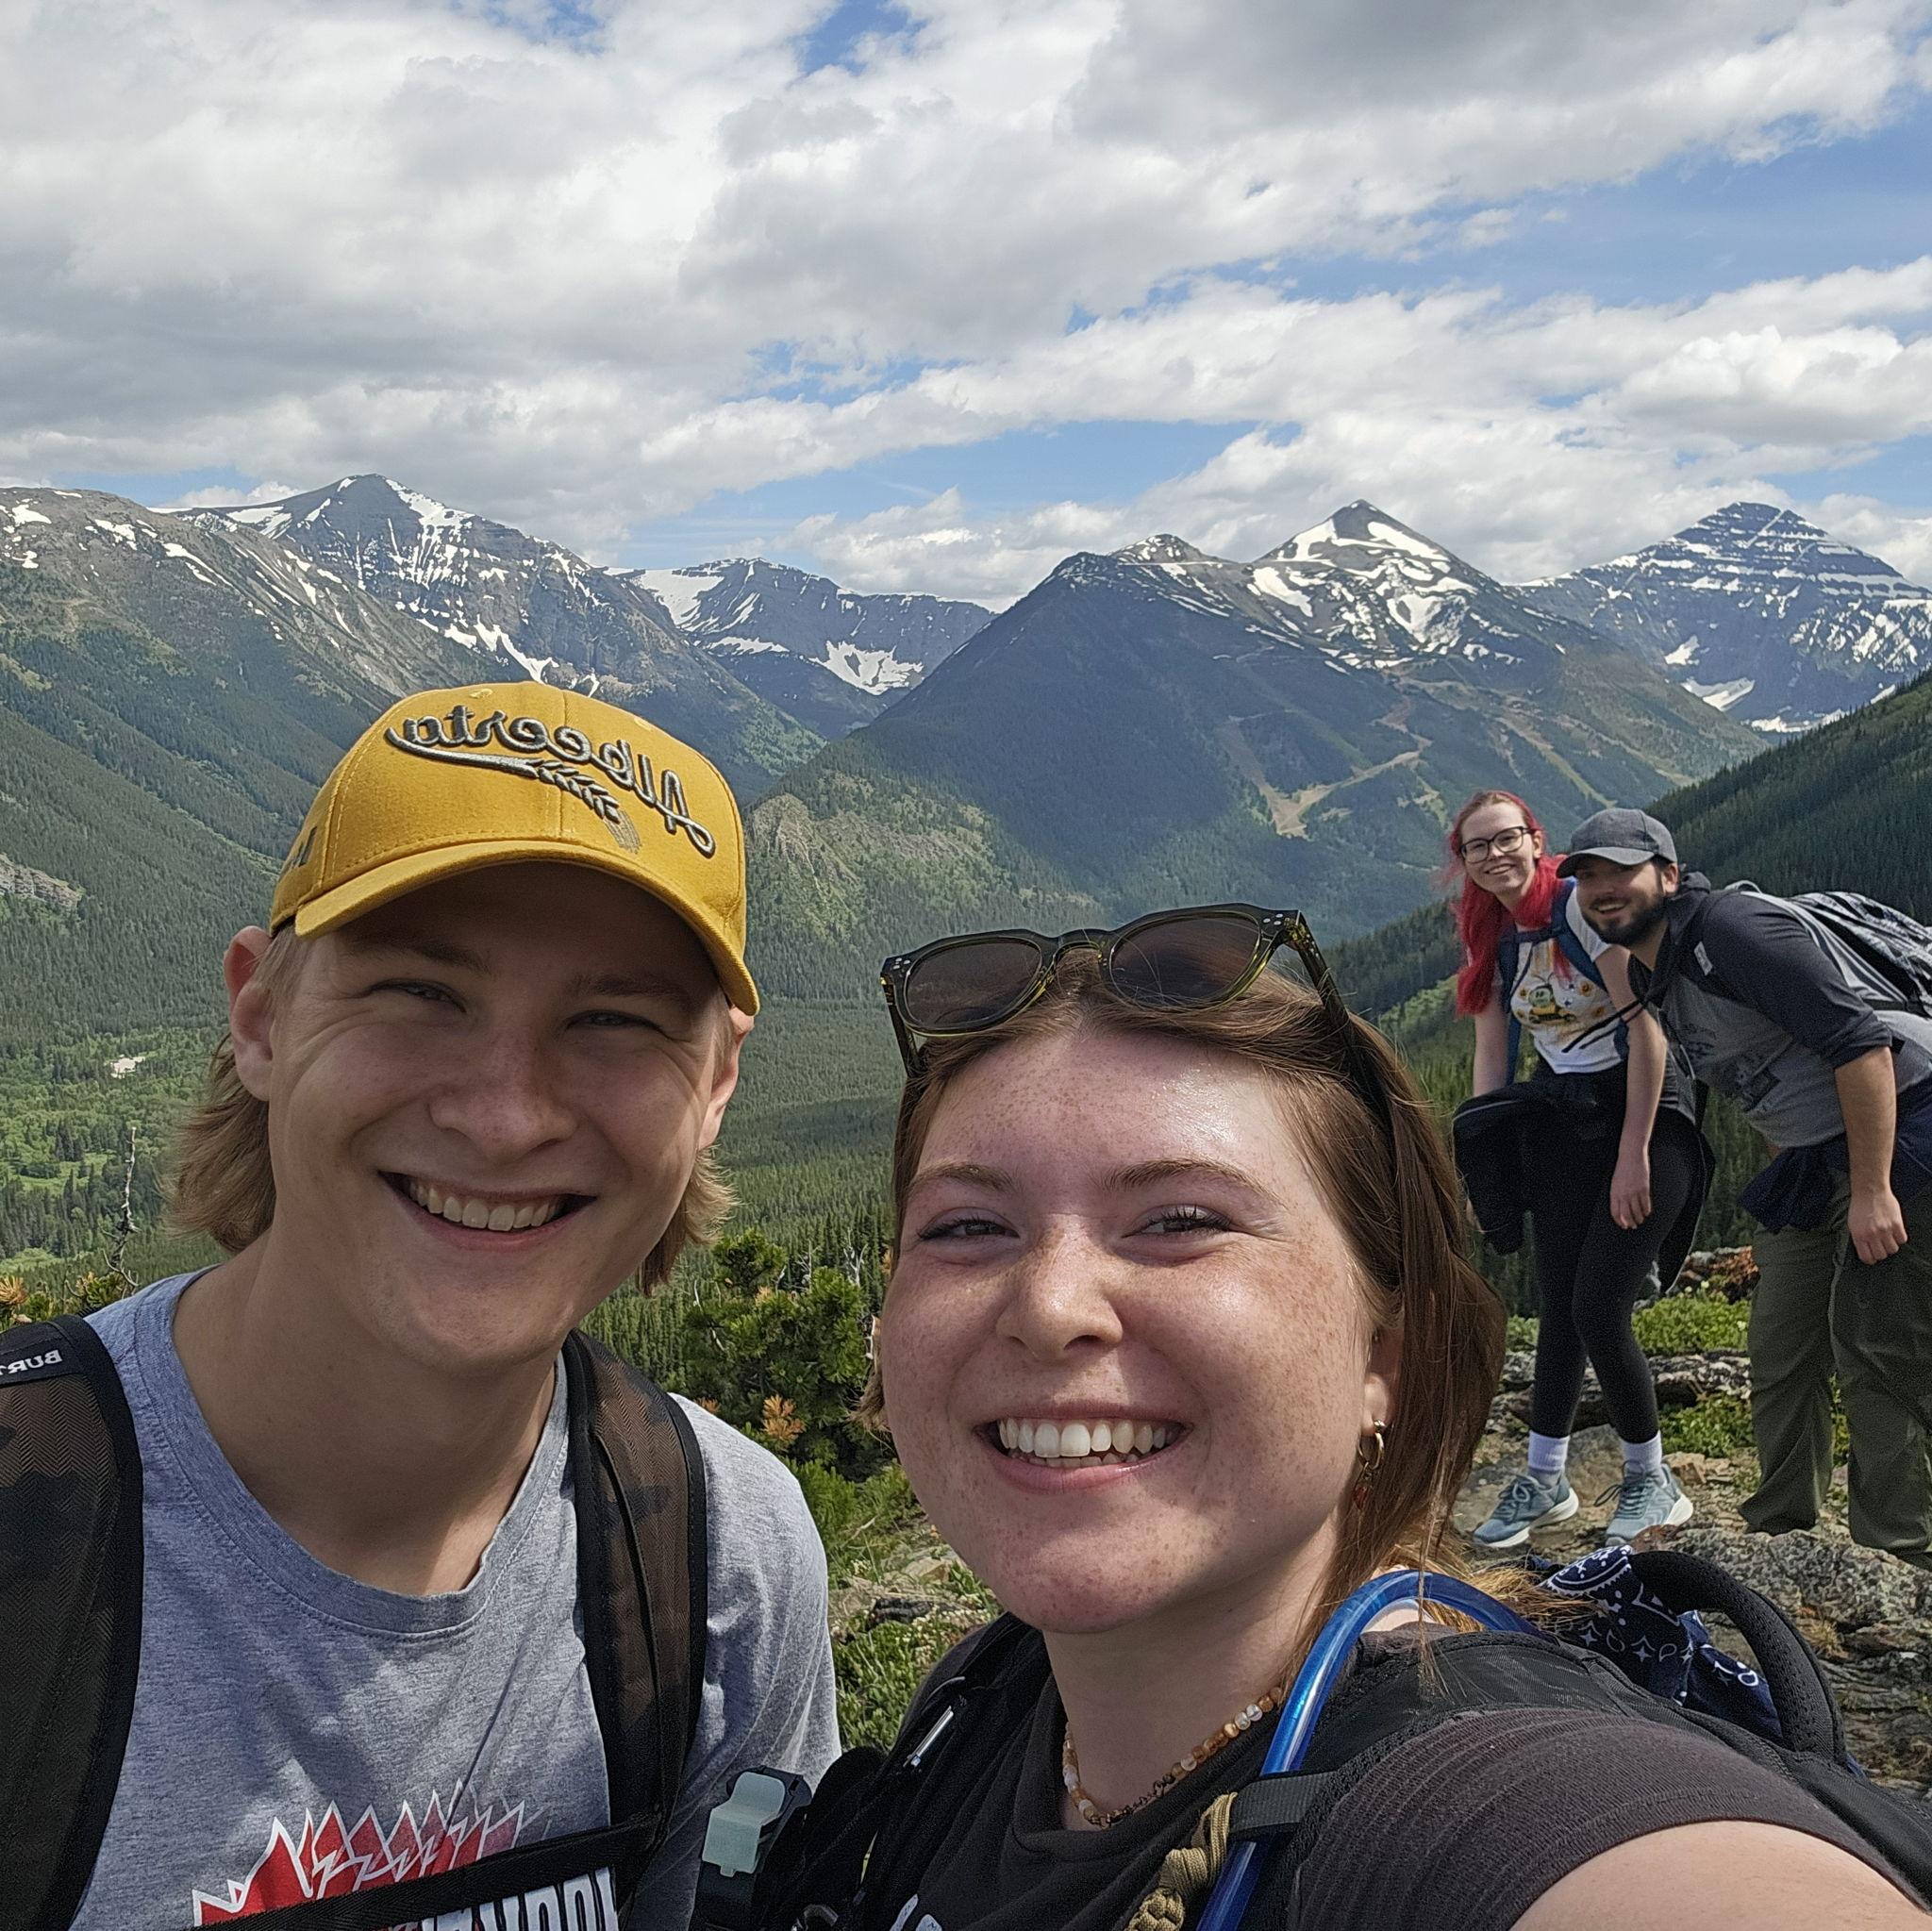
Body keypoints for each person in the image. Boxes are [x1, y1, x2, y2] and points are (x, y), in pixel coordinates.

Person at [762, 904, 1924, 1930]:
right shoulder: (984, 1698)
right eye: (965, 1227)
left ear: (1386, 1358)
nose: (1049, 1306)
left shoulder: (1469, 1793)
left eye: (1178, 1219)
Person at [32, 682, 840, 1926]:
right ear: (260, 1012)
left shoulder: (720, 1557)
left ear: (717, 1081)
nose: (508, 1112)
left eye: (615, 1019)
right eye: (421, 992)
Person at [1565, 807, 1932, 1572]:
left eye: (1620, 870)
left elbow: (1862, 1043)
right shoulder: (1646, 969)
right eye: (1588, 875)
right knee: (1782, 1342)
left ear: (1667, 874)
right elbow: (1752, 1075)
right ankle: (1782, 1535)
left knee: (1875, 1342)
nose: (1603, 888)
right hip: (1813, 1157)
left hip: (1906, 1131)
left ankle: (1897, 1557)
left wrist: (1872, 1192)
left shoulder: (1733, 931)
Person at [1446, 791, 1707, 1549]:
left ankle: (1651, 1479)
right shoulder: (1492, 934)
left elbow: (1648, 1036)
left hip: (1650, 1119)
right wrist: (1482, 1155)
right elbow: (1491, 1054)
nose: (1494, 855)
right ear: (1462, 861)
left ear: (1536, 838)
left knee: (1598, 1307)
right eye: (1476, 847)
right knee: (1560, 1307)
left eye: (1506, 839)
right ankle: (1545, 1477)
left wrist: (1635, 1154)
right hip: (1565, 1124)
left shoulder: (1584, 913)